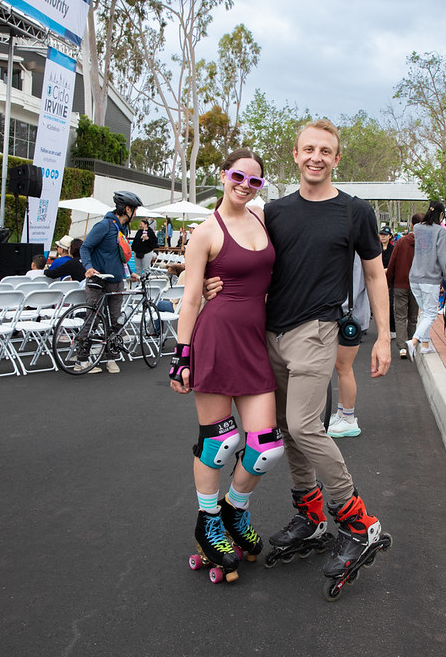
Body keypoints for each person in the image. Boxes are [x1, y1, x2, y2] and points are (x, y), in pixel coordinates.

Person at [206, 119, 391, 585]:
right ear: (295, 154)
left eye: (325, 151)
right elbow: (241, 255)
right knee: (287, 427)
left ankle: (358, 521)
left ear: (336, 158)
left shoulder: (355, 212)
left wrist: (385, 336)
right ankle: (310, 514)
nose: (316, 157)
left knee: (307, 425)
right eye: (308, 149)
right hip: (269, 332)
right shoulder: (273, 212)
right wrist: (213, 284)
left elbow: (374, 275)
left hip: (317, 330)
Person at [170, 148, 284, 578]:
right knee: (219, 443)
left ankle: (235, 510)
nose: (245, 185)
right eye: (239, 176)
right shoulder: (205, 232)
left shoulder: (262, 219)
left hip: (254, 341)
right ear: (223, 175)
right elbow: (191, 296)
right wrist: (181, 356)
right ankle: (208, 521)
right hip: (216, 338)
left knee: (266, 446)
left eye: (254, 181)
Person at [78, 191, 142, 374]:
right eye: (135, 210)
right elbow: (85, 247)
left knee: (116, 321)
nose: (135, 214)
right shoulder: (104, 226)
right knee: (92, 319)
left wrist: (131, 272)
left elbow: (122, 254)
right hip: (98, 281)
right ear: (127, 209)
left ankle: (111, 358)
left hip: (116, 281)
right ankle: (82, 360)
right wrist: (89, 267)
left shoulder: (122, 229)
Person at [406, 201, 446, 360]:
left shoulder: (417, 228)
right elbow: (443, 256)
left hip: (414, 277)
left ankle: (425, 345)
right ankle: (414, 341)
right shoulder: (440, 231)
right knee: (431, 313)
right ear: (441, 215)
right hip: (430, 278)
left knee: (425, 312)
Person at [328, 254, 371, 438]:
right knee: (341, 367)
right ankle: (341, 413)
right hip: (350, 315)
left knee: (344, 367)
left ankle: (348, 418)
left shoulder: (353, 252)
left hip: (348, 316)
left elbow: (351, 287)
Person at [386, 213, 423, 359]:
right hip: (417, 285)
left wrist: (389, 282)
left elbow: (392, 263)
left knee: (400, 316)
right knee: (413, 317)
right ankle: (411, 345)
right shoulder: (426, 244)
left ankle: (402, 347)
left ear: (412, 225)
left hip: (400, 284)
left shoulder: (401, 242)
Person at [379, 225, 395, 338]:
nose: (383, 237)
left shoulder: (393, 250)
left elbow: (394, 265)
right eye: (381, 235)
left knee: (390, 304)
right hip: (378, 279)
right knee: (379, 305)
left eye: (385, 235)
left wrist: (386, 270)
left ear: (390, 236)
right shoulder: (376, 249)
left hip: (390, 279)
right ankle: (382, 330)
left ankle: (392, 328)